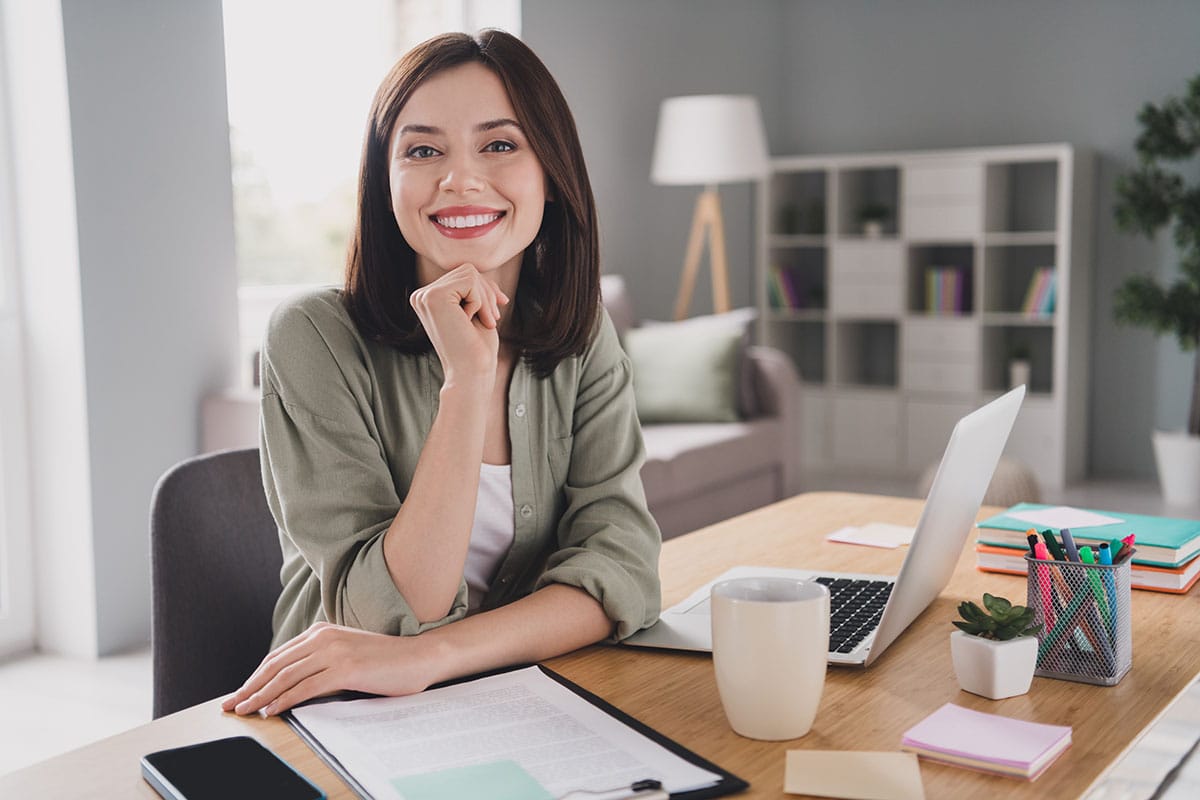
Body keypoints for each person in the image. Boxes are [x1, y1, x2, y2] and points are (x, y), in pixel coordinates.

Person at [222, 29, 661, 718]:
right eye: (423, 150)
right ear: (385, 182)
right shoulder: (311, 336)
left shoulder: (581, 333)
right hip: (350, 709)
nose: (459, 178)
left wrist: (436, 656)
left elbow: (623, 571)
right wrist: (466, 382)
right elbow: (390, 616)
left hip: (524, 692)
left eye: (500, 144)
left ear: (552, 171)